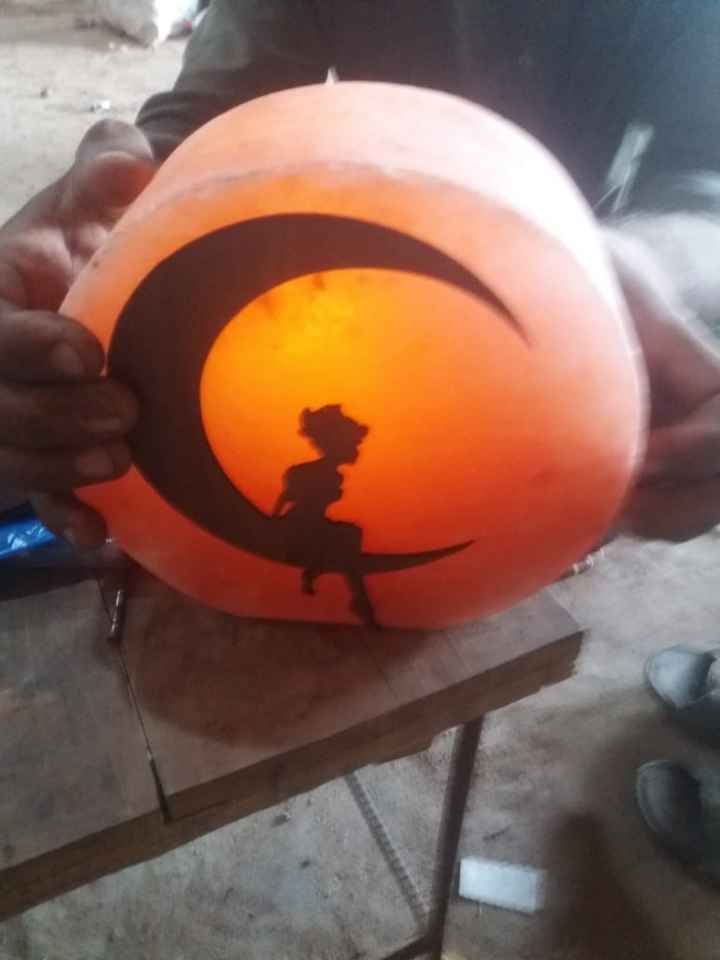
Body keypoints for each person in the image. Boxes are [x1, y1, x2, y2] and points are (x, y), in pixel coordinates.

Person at [0, 0, 719, 862]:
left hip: (550, 364)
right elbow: (200, 127)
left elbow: (707, 183)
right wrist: (106, 220)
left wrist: (639, 272)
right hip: (382, 305)